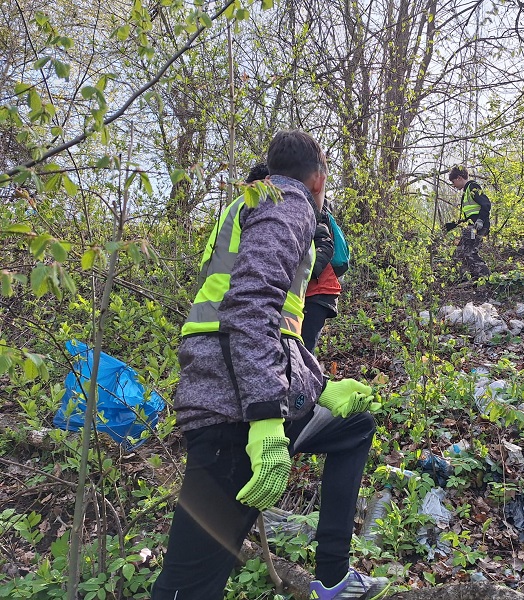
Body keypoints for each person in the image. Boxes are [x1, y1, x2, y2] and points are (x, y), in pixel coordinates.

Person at [151, 130, 388, 600]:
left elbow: (272, 325)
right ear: (318, 178)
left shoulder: (249, 203)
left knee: (355, 425)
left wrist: (317, 386)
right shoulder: (289, 203)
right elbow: (249, 307)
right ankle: (332, 577)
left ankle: (333, 578)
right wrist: (263, 420)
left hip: (231, 388)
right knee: (188, 586)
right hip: (233, 412)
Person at [302, 200, 346, 353]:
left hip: (318, 291)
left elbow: (325, 247)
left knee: (303, 352)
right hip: (313, 292)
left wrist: (304, 275)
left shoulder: (313, 211)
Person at [444, 166, 491, 279]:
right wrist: (452, 225)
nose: (454, 185)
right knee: (458, 254)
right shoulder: (466, 193)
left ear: (459, 178)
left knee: (470, 253)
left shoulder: (472, 187)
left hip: (477, 227)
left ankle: (487, 278)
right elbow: (468, 216)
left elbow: (486, 204)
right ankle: (467, 278)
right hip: (470, 227)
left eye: (453, 182)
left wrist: (480, 220)